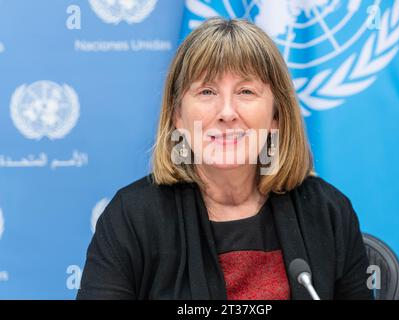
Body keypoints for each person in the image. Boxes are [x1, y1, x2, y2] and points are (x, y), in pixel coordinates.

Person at [77, 17, 372, 300]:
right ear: (178, 115)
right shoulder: (132, 216)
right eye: (207, 91)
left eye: (246, 91)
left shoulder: (328, 212)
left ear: (276, 117)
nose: (227, 112)